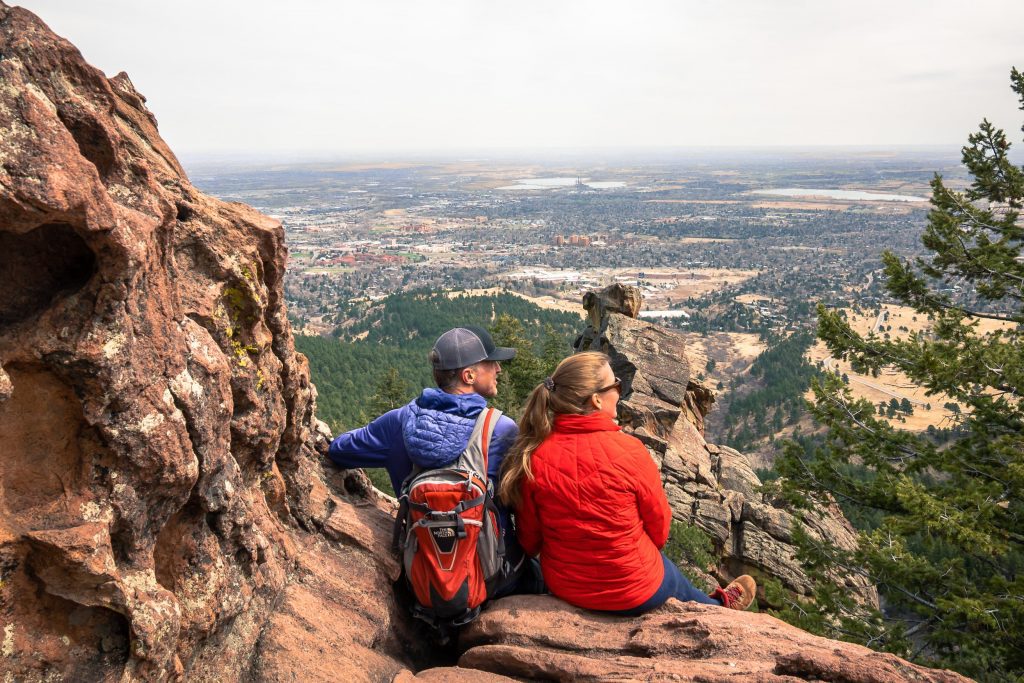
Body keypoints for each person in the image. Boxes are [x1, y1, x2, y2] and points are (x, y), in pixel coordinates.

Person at [499, 351, 757, 615]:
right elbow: (659, 532)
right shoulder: (630, 450)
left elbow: (530, 542)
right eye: (616, 385)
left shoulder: (533, 456)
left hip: (567, 587)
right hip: (634, 590)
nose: (620, 392)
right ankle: (719, 607)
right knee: (671, 576)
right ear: (597, 400)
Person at [328, 325, 529, 597]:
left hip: (422, 573)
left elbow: (339, 449)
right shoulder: (502, 429)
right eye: (491, 363)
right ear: (469, 375)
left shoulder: (399, 422)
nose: (499, 369)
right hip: (493, 576)